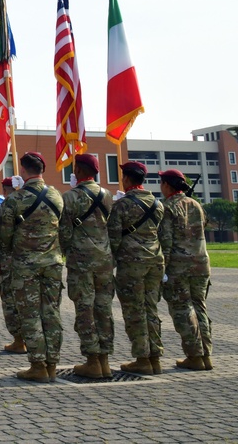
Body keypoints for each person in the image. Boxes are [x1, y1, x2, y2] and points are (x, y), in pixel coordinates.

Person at [0, 151, 64, 383]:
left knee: (30, 315)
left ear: (23, 171)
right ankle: (52, 364)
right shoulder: (57, 196)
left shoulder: (15, 199)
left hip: (26, 266)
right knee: (52, 313)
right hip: (53, 263)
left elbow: (4, 236)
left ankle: (37, 365)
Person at [59, 153, 115, 379]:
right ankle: (105, 360)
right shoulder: (107, 195)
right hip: (104, 259)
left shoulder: (70, 197)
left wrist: (67, 252)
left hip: (81, 261)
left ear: (79, 171)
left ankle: (92, 360)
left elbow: (63, 232)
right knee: (104, 309)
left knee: (85, 309)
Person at [108, 161, 165, 375]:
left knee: (134, 310)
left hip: (132, 263)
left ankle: (142, 358)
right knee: (151, 308)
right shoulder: (157, 203)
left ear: (127, 179)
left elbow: (113, 237)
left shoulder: (122, 205)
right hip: (155, 261)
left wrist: (111, 262)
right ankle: (155, 357)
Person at [158, 168, 213, 371]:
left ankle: (194, 355)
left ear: (167, 185)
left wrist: (162, 269)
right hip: (201, 264)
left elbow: (166, 241)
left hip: (179, 267)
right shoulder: (196, 205)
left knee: (182, 310)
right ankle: (206, 354)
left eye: (162, 183)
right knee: (199, 308)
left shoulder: (166, 207)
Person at [0, 177, 25, 354]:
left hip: (9, 262)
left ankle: (19, 340)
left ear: (5, 191)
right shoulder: (32, 203)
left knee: (10, 301)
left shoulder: (5, 207)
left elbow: (0, 237)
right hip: (29, 261)